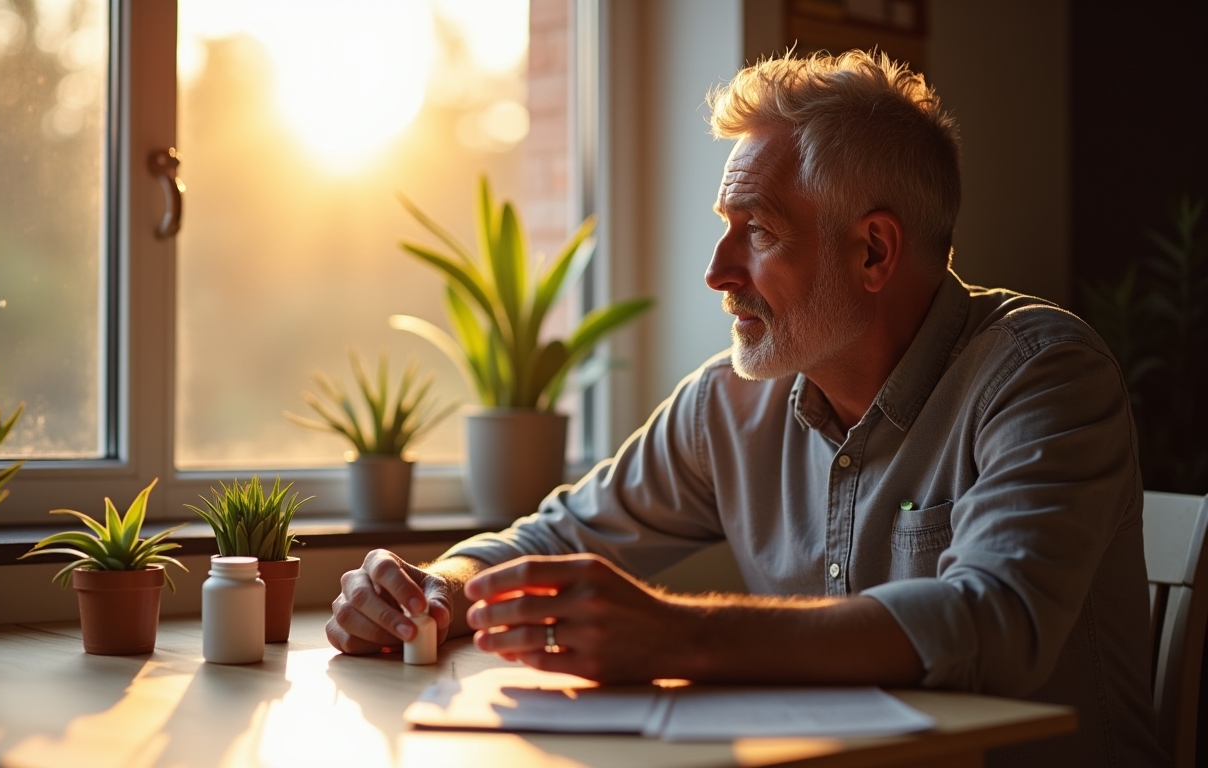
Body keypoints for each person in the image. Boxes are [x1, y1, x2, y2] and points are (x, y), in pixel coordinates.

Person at [325, 50, 1165, 766]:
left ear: (873, 250)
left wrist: (677, 636)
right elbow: (549, 540)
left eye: (756, 230)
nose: (717, 270)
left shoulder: (1041, 372)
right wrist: (434, 590)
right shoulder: (727, 407)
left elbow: (995, 623)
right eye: (724, 226)